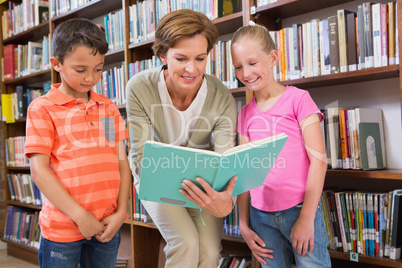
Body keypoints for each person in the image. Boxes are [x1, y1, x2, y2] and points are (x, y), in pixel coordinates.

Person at [126, 9, 238, 268]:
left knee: (209, 254)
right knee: (185, 242)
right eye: (181, 58)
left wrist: (227, 200)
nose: (192, 69)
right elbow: (140, 155)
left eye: (200, 58)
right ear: (163, 55)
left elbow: (225, 156)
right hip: (156, 177)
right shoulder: (139, 87)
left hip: (203, 184)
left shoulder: (221, 97)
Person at [25, 18, 131, 268]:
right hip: (63, 229)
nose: (91, 78)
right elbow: (39, 172)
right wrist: (80, 217)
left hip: (107, 226)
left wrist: (120, 214)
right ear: (57, 64)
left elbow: (121, 162)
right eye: (80, 70)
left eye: (98, 69)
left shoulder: (107, 108)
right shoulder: (42, 109)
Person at [231, 24, 331, 268]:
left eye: (252, 63)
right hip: (260, 216)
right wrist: (243, 225)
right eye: (238, 67)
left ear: (273, 57)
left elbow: (319, 160)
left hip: (300, 209)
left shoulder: (298, 99)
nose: (246, 73)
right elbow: (244, 173)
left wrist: (307, 218)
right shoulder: (244, 114)